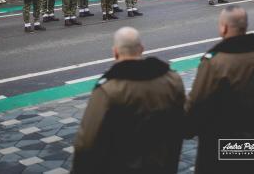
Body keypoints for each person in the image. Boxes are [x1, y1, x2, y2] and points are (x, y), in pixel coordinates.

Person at [73, 27, 185, 174]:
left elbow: (86, 142)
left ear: (115, 52)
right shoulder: (172, 79)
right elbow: (183, 120)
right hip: (164, 164)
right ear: (142, 49)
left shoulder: (108, 89)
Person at [185, 6, 254, 174]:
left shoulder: (215, 62)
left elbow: (197, 103)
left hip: (219, 141)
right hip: (253, 136)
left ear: (224, 27)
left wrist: (187, 129)